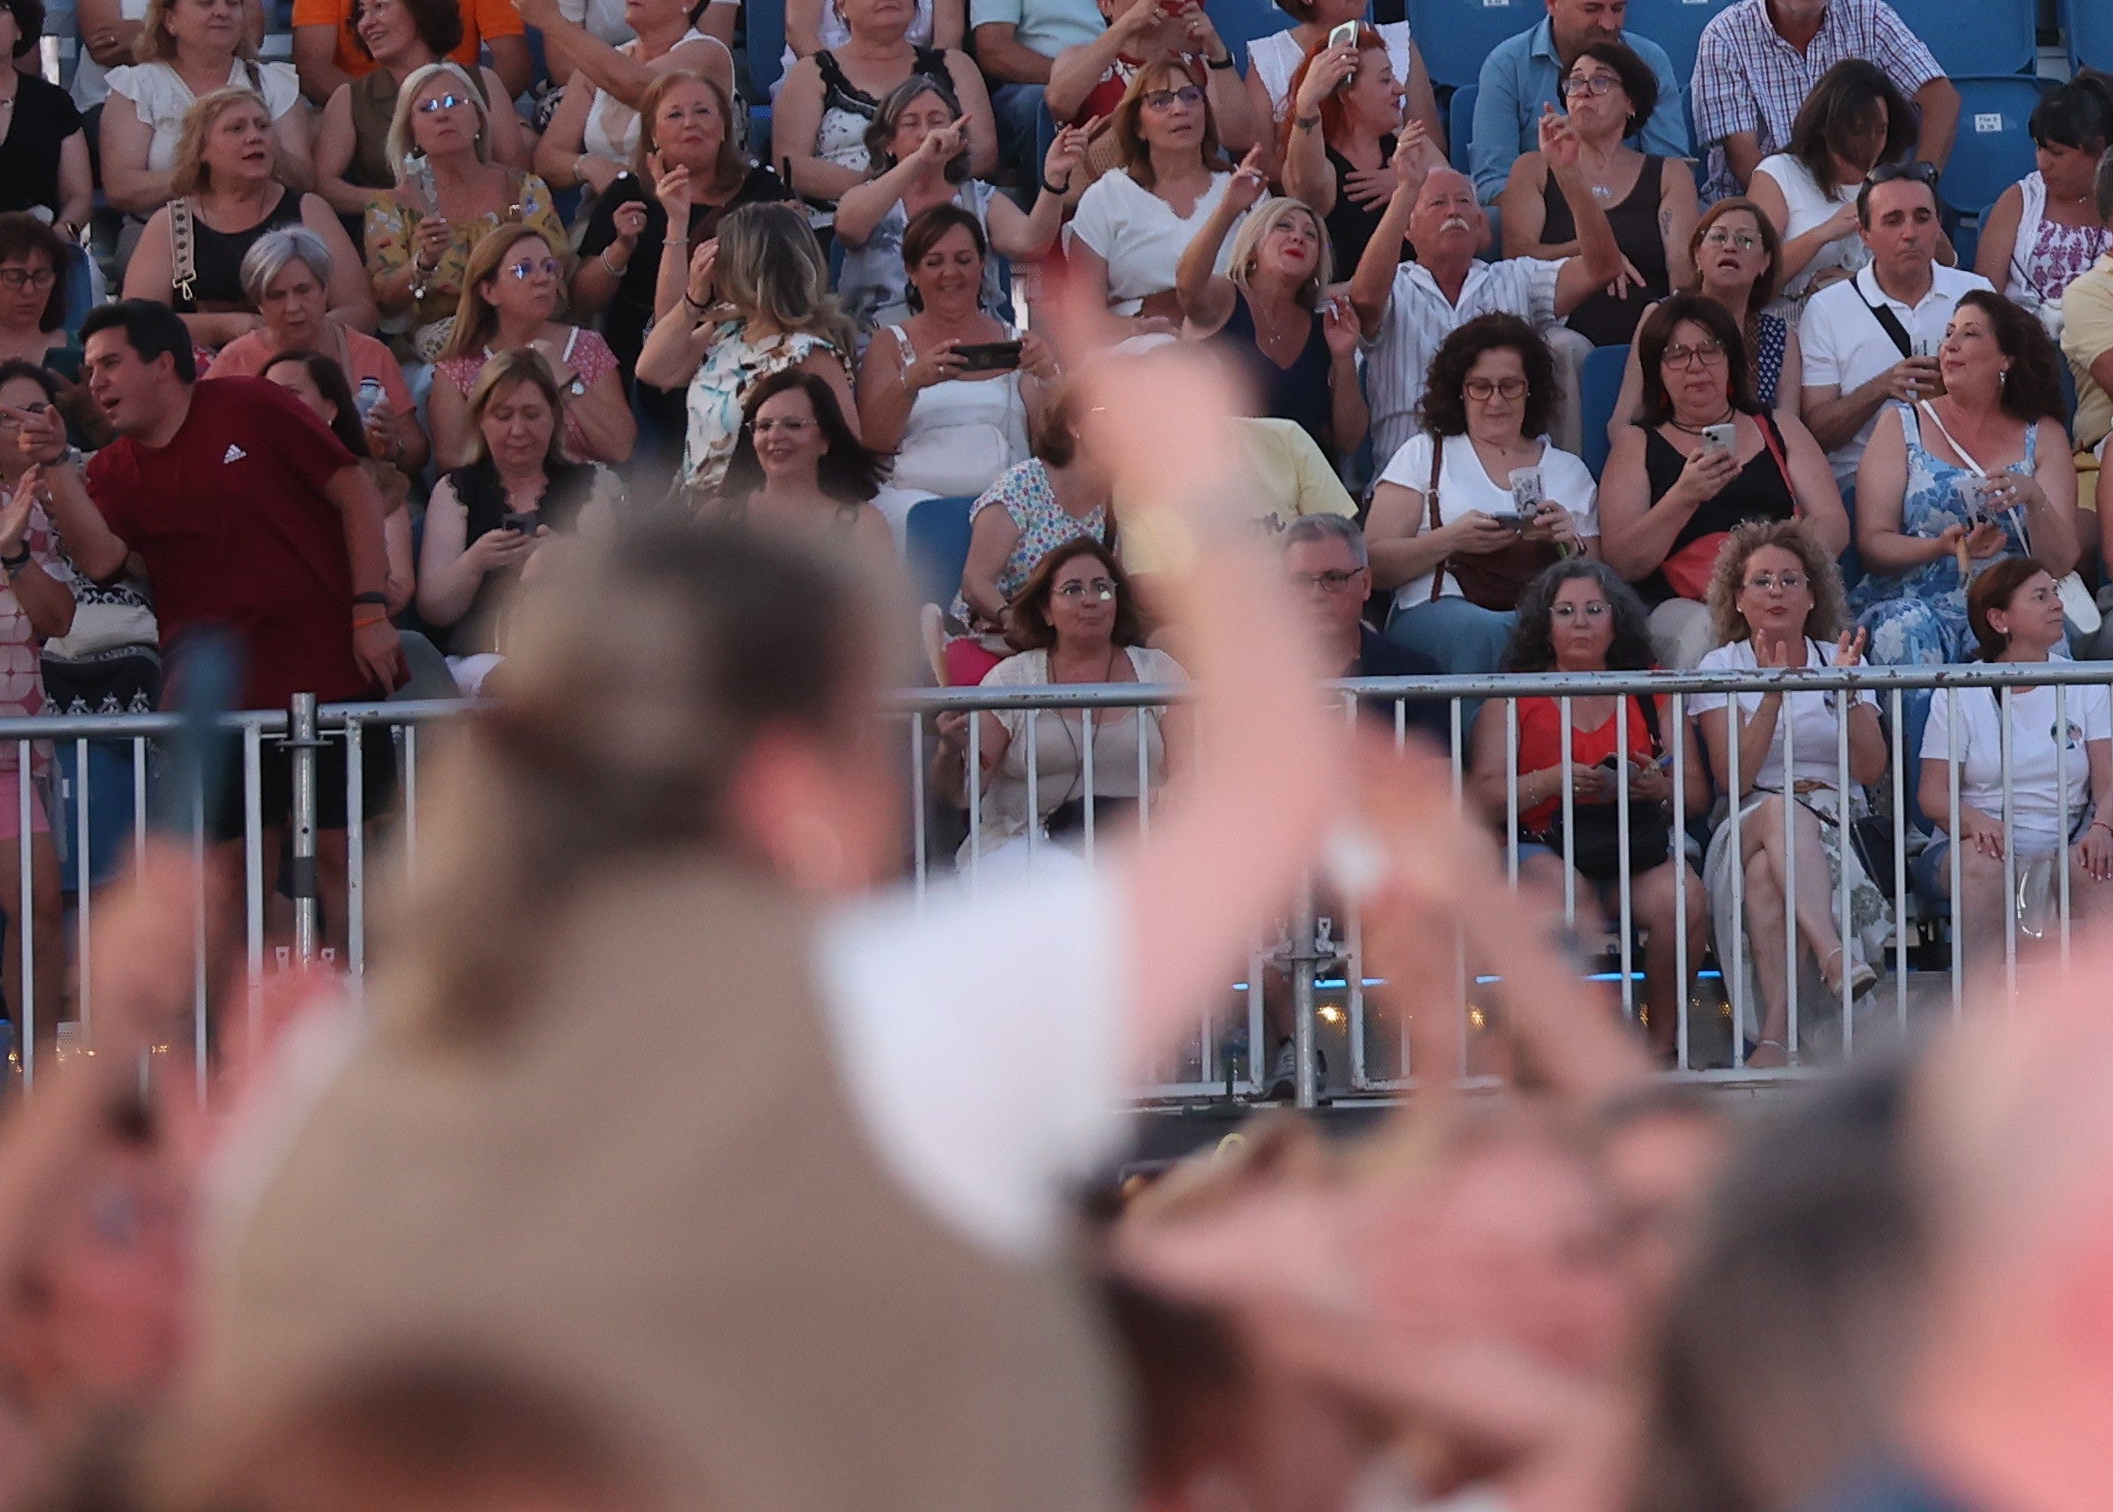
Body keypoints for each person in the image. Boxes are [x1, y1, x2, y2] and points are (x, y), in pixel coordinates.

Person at [192, 248, 1338, 1512]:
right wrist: (1185, 479)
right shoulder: (904, 1022)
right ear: (797, 786)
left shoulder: (342, 1081)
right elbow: (1268, 795)